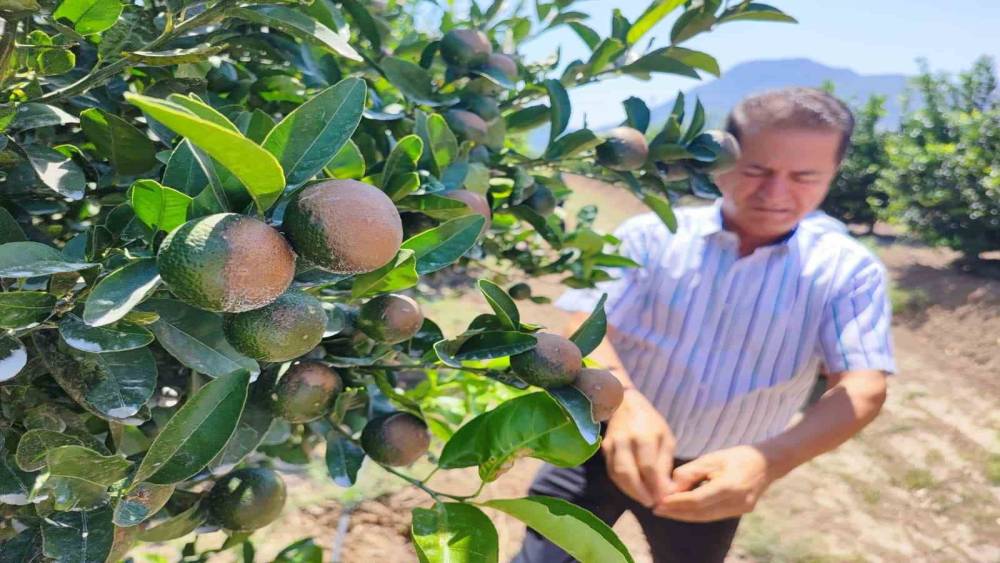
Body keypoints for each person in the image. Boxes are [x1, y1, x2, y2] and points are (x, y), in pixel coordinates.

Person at [514, 87, 896, 563]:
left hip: (711, 473)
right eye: (756, 170)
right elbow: (583, 323)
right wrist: (624, 405)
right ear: (722, 162)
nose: (775, 193)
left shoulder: (847, 270)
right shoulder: (651, 236)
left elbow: (862, 388)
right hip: (595, 443)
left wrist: (768, 460)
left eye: (804, 176)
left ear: (833, 174)